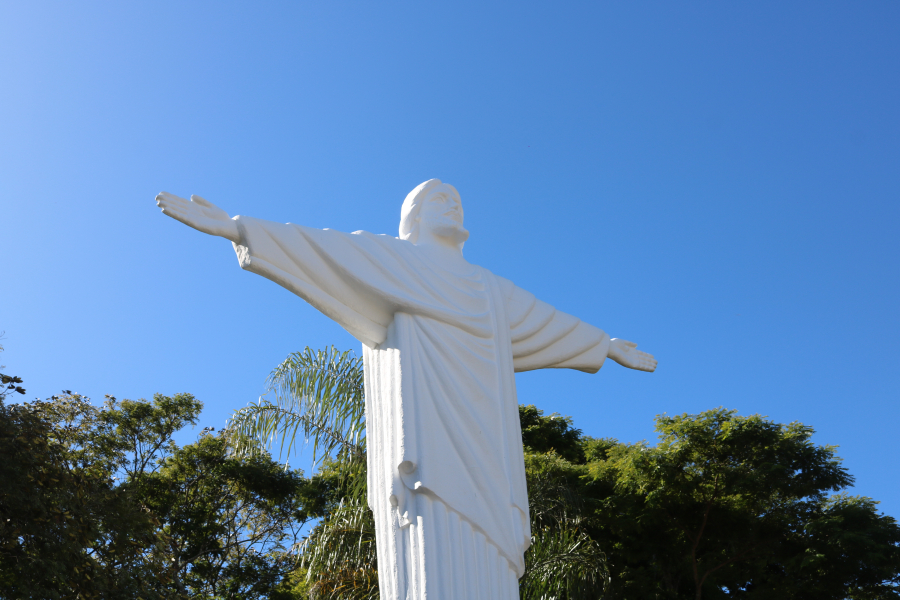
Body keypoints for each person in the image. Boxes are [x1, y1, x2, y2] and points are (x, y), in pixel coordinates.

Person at [156, 179, 656, 600]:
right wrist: (240, 229)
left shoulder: (490, 291)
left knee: (491, 558)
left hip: (486, 448)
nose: (453, 204)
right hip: (426, 445)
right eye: (440, 198)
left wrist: (605, 345)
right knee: (434, 550)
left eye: (457, 199)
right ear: (413, 218)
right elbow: (323, 248)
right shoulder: (395, 261)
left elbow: (546, 322)